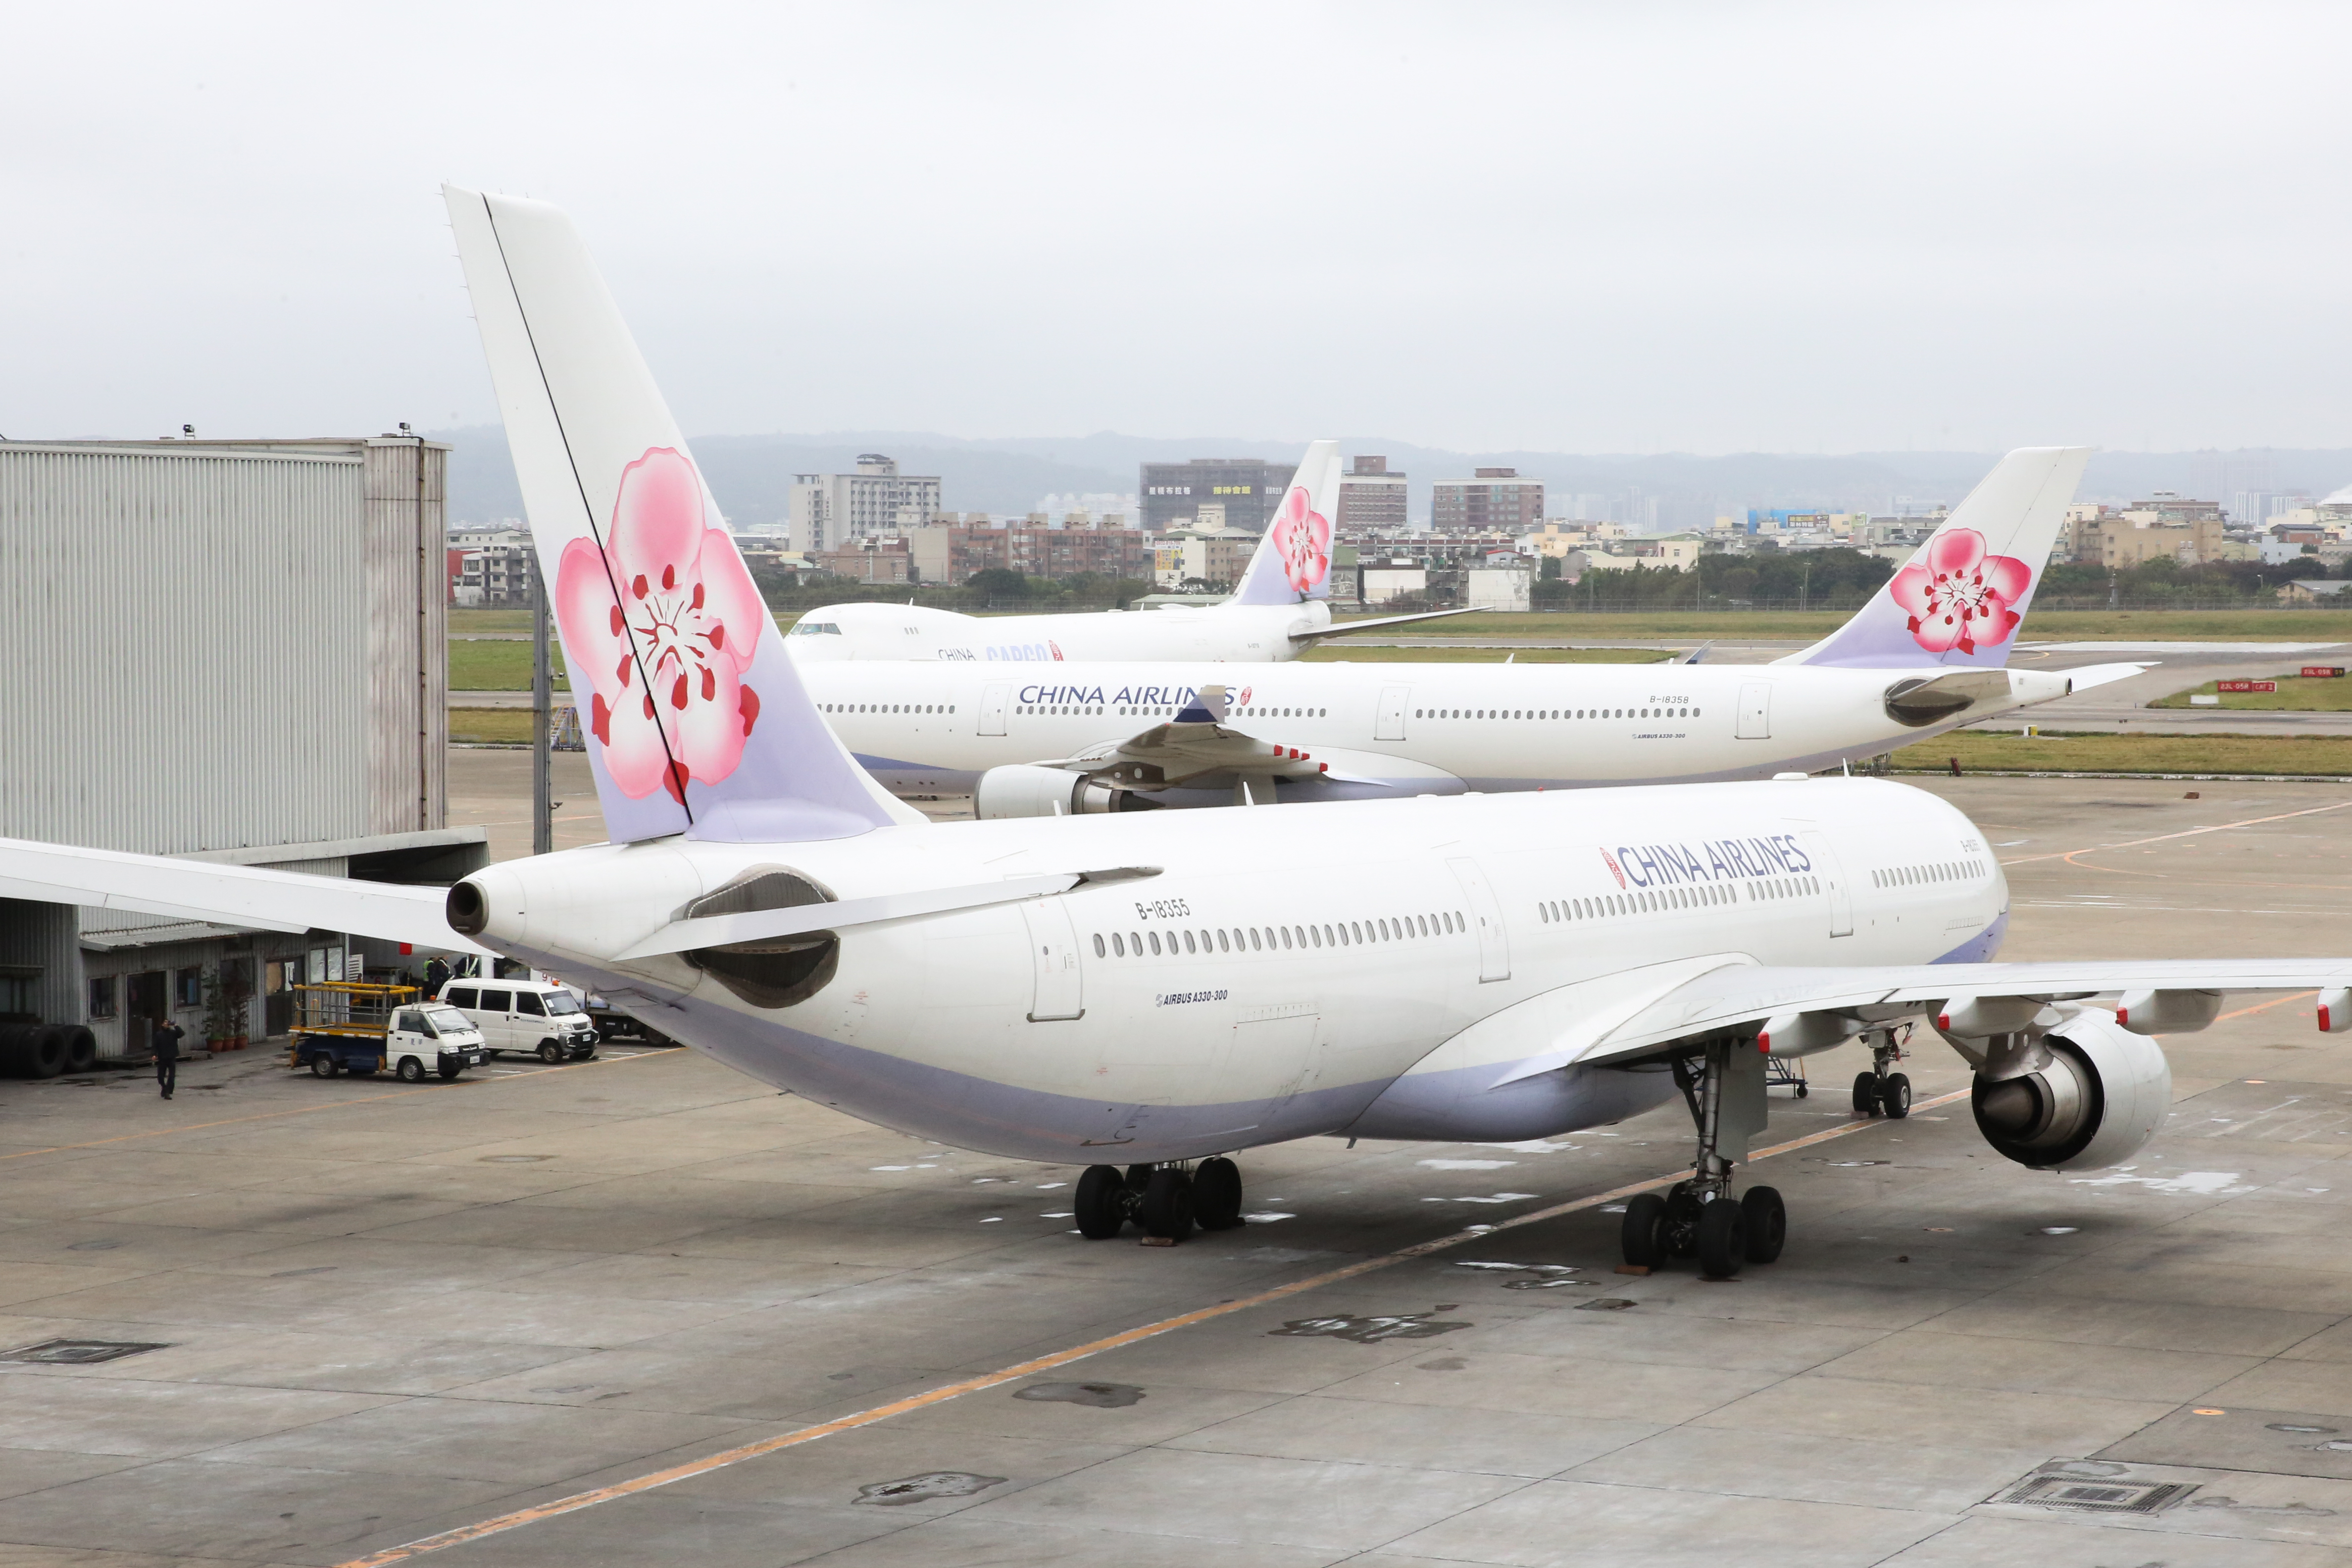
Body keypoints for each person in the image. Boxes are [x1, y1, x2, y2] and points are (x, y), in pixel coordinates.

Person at [152, 1018, 183, 1099]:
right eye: (165, 1022)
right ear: (162, 1025)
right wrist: (154, 1054)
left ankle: (167, 1092)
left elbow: (181, 1034)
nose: (167, 1023)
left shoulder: (173, 1033)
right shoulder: (159, 1034)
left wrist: (176, 1026)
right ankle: (164, 1087)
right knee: (160, 1076)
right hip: (163, 1057)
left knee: (172, 1076)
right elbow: (155, 1045)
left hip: (172, 1056)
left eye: (168, 1022)